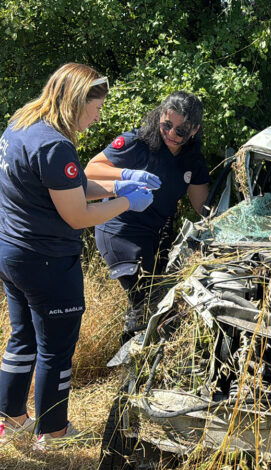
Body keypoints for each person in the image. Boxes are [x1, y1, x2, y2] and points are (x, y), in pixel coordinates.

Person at [0, 63, 153, 448]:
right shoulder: (55, 144)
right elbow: (77, 214)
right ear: (75, 101)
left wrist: (120, 180)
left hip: (13, 252)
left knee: (23, 339)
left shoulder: (21, 124)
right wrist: (125, 202)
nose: (99, 115)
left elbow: (71, 185)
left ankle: (11, 418)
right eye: (96, 107)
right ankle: (53, 432)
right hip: (47, 261)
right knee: (56, 348)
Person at [84, 92, 209, 342]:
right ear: (159, 117)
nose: (172, 134)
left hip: (158, 234)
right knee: (144, 297)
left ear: (194, 130)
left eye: (181, 130)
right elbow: (91, 170)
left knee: (160, 299)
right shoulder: (137, 142)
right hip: (120, 228)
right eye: (166, 125)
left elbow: (202, 206)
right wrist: (128, 175)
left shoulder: (192, 158)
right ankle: (134, 361)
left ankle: (140, 352)